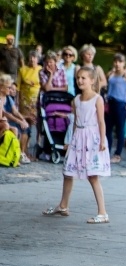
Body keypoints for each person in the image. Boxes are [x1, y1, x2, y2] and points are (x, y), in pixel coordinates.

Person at [42, 66, 110, 223]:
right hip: (78, 138)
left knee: (92, 175)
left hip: (91, 138)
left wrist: (101, 140)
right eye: (78, 77)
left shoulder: (97, 99)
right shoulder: (76, 100)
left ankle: (102, 212)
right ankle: (63, 205)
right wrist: (69, 139)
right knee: (67, 172)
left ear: (92, 80)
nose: (80, 80)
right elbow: (74, 121)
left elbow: (101, 121)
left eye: (84, 78)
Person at [105, 53, 126, 163]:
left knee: (120, 129)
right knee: (108, 129)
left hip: (121, 103)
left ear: (124, 63)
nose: (117, 64)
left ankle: (117, 154)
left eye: (120, 62)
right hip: (110, 102)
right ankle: (107, 151)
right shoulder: (111, 74)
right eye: (115, 61)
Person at [15, 51, 41, 163]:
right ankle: (23, 151)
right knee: (25, 126)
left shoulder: (41, 69)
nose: (32, 59)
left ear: (38, 59)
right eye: (30, 57)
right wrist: (16, 101)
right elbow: (18, 87)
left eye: (34, 57)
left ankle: (30, 151)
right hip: (24, 102)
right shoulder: (22, 70)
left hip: (36, 102)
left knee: (35, 127)